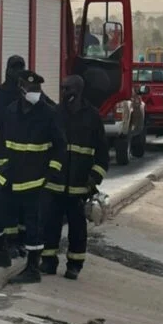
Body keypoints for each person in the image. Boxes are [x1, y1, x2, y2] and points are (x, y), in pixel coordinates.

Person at [0, 70, 66, 283]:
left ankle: (32, 269)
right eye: (31, 89)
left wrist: (52, 172)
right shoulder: (11, 112)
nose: (35, 93)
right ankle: (0, 254)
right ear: (22, 89)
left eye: (38, 89)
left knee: (33, 226)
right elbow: (3, 144)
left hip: (35, 179)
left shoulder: (48, 114)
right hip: (11, 177)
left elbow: (60, 146)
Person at [41, 75, 109, 280]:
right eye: (62, 89)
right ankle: (48, 262)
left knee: (78, 230)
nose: (64, 93)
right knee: (50, 225)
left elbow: (102, 155)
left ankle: (74, 265)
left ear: (78, 91)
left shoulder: (92, 117)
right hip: (55, 184)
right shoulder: (55, 114)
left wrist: (93, 180)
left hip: (80, 187)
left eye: (67, 89)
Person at [0, 55, 27, 257]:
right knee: (6, 200)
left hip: (23, 155)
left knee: (22, 203)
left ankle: (19, 241)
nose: (18, 71)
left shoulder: (26, 94)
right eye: (15, 68)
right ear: (7, 70)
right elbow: (3, 117)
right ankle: (6, 243)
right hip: (4, 154)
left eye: (22, 68)